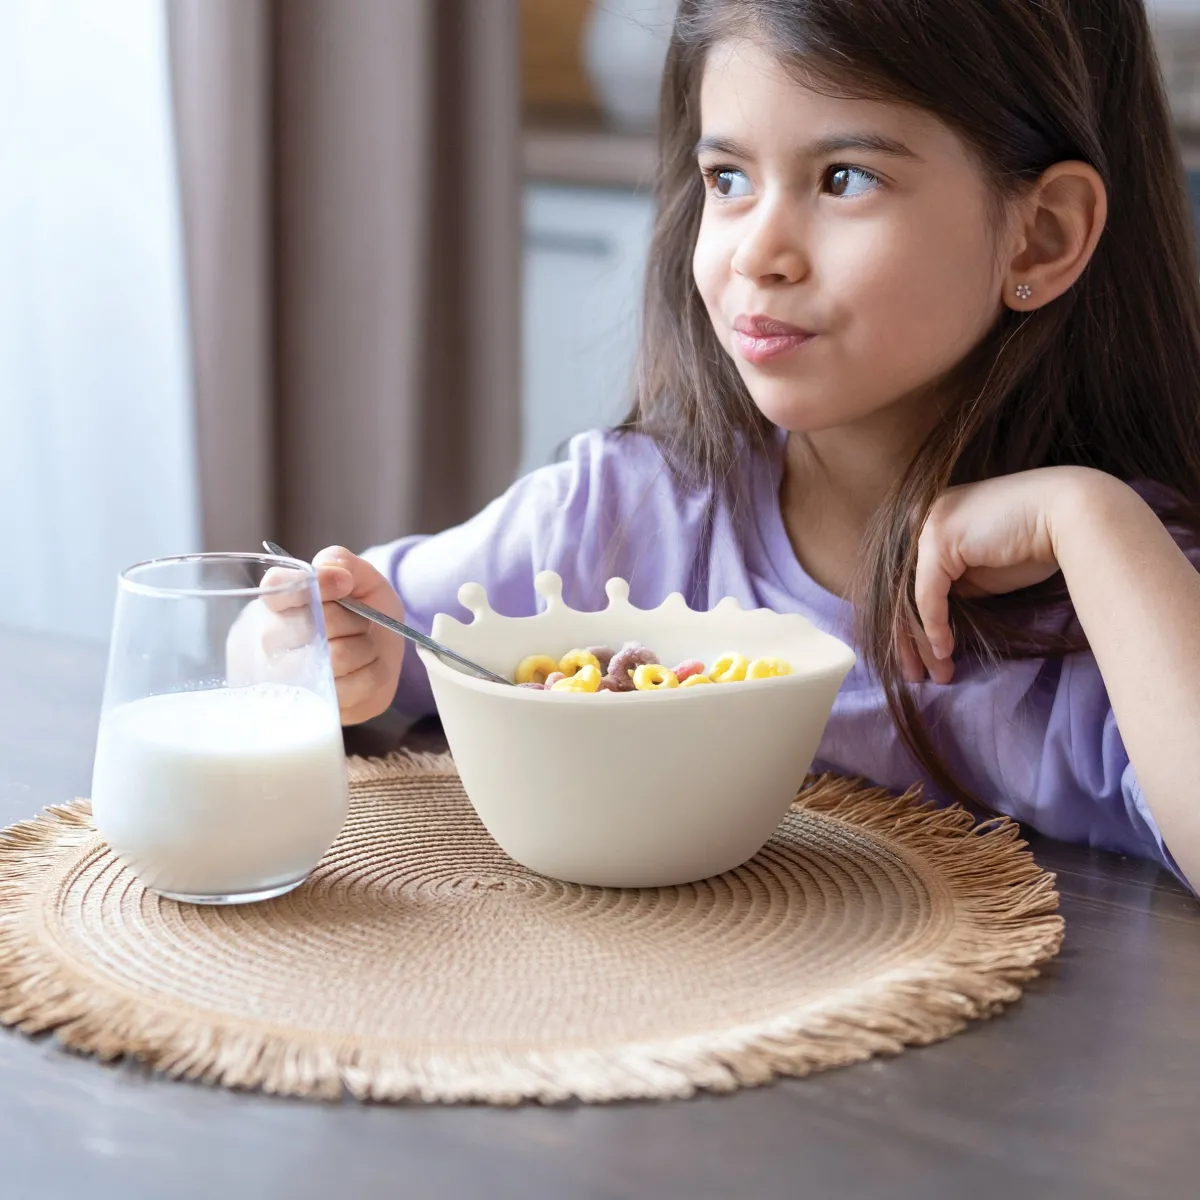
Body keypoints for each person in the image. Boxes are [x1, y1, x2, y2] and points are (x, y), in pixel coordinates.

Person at [261, 0, 1200, 890]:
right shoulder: (619, 520)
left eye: (845, 179)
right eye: (729, 180)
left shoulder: (1116, 601)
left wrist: (1089, 516)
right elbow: (291, 636)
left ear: (1040, 236)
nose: (759, 251)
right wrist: (321, 649)